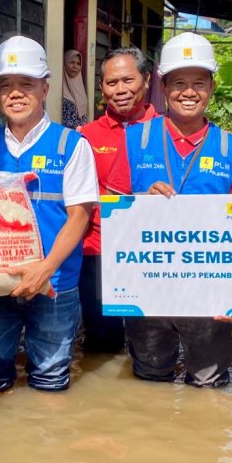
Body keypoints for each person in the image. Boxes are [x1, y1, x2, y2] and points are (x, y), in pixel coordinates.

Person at [0, 35, 98, 392]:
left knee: (50, 380)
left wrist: (44, 268)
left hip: (54, 284)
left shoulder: (71, 146)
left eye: (26, 84)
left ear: (45, 88)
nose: (15, 93)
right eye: (6, 85)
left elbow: (80, 217)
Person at [105, 33, 232, 386]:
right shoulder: (135, 140)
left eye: (198, 83)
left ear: (212, 87)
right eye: (179, 83)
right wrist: (139, 203)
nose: (189, 92)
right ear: (163, 86)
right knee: (148, 379)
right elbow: (110, 212)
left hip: (208, 296)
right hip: (148, 292)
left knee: (209, 383)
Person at [78, 46, 156, 353]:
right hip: (96, 253)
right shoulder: (83, 136)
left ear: (146, 80)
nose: (120, 90)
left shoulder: (168, 131)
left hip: (151, 254)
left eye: (128, 80)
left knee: (153, 346)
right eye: (112, 83)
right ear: (101, 87)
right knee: (101, 345)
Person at [62, 49, 88, 129]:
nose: (75, 66)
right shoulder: (59, 86)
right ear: (65, 63)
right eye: (71, 62)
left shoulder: (81, 87)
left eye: (78, 64)